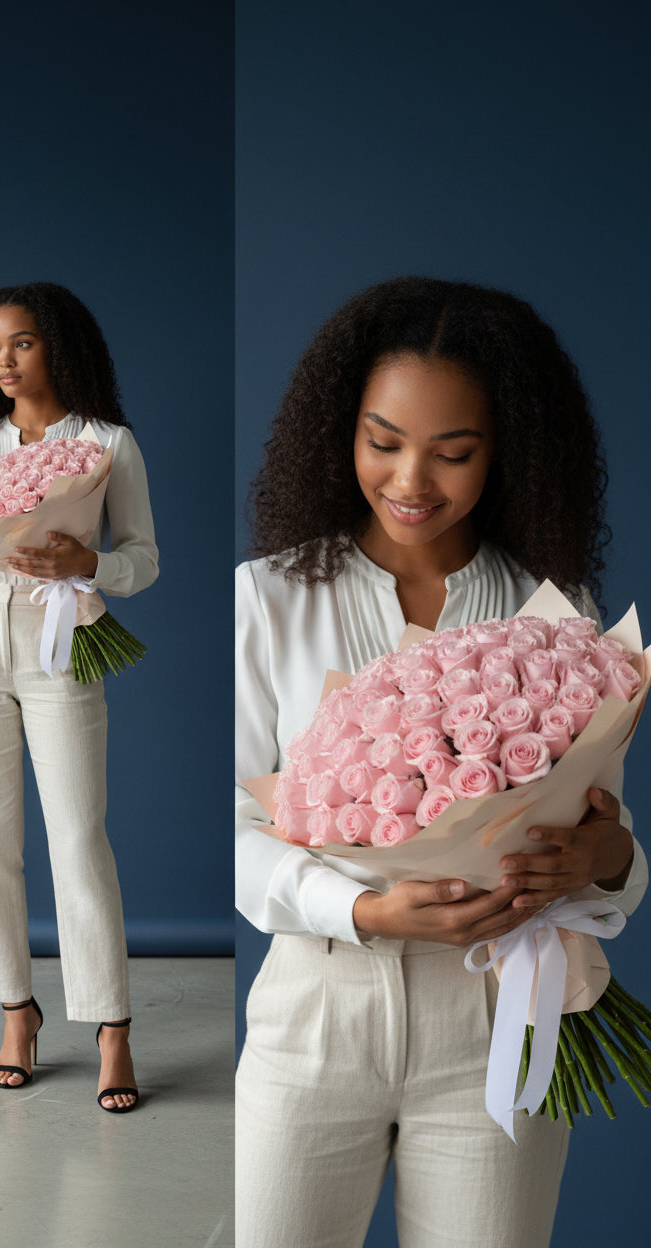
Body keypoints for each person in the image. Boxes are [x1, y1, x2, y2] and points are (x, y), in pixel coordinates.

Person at [235, 276, 648, 1245]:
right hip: (315, 1013)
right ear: (340, 429)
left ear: (505, 452)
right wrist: (362, 906)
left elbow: (607, 842)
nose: (411, 481)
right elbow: (233, 832)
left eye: (452, 452)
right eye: (382, 442)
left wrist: (601, 862)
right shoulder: (268, 600)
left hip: (500, 1015)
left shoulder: (560, 613)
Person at [0, 281, 158, 1112]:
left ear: (59, 344)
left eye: (21, 343)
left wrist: (86, 566)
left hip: (60, 635)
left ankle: (112, 1027)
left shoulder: (108, 442)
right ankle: (17, 1011)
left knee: (79, 838)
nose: (4, 361)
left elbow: (144, 560)